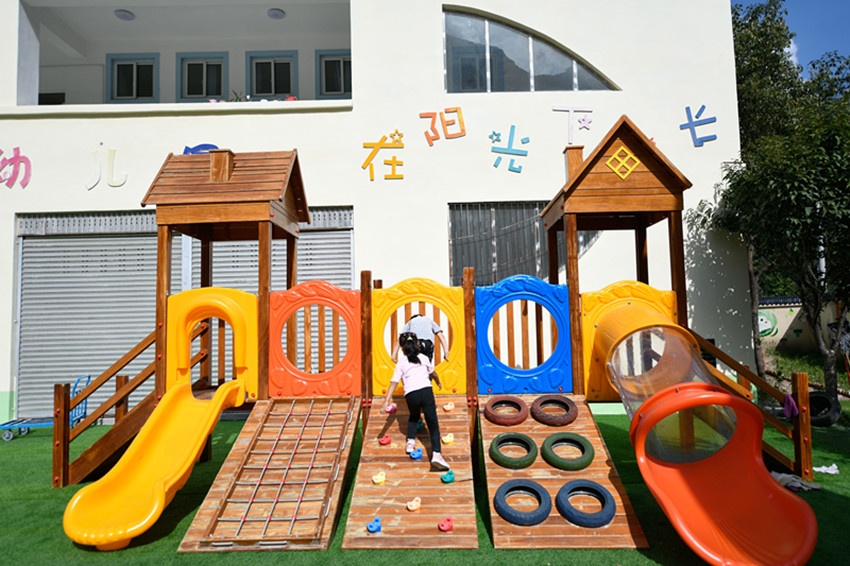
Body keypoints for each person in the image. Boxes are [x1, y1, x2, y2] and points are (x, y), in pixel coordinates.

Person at [383, 331, 450, 471]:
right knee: (433, 425)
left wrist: (386, 401)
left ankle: (410, 442)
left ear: (402, 348)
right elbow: (433, 373)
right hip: (426, 391)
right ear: (417, 344)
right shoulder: (423, 358)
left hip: (411, 395)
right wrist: (438, 382)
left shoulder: (401, 363)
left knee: (414, 416)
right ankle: (436, 454)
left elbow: (394, 382)